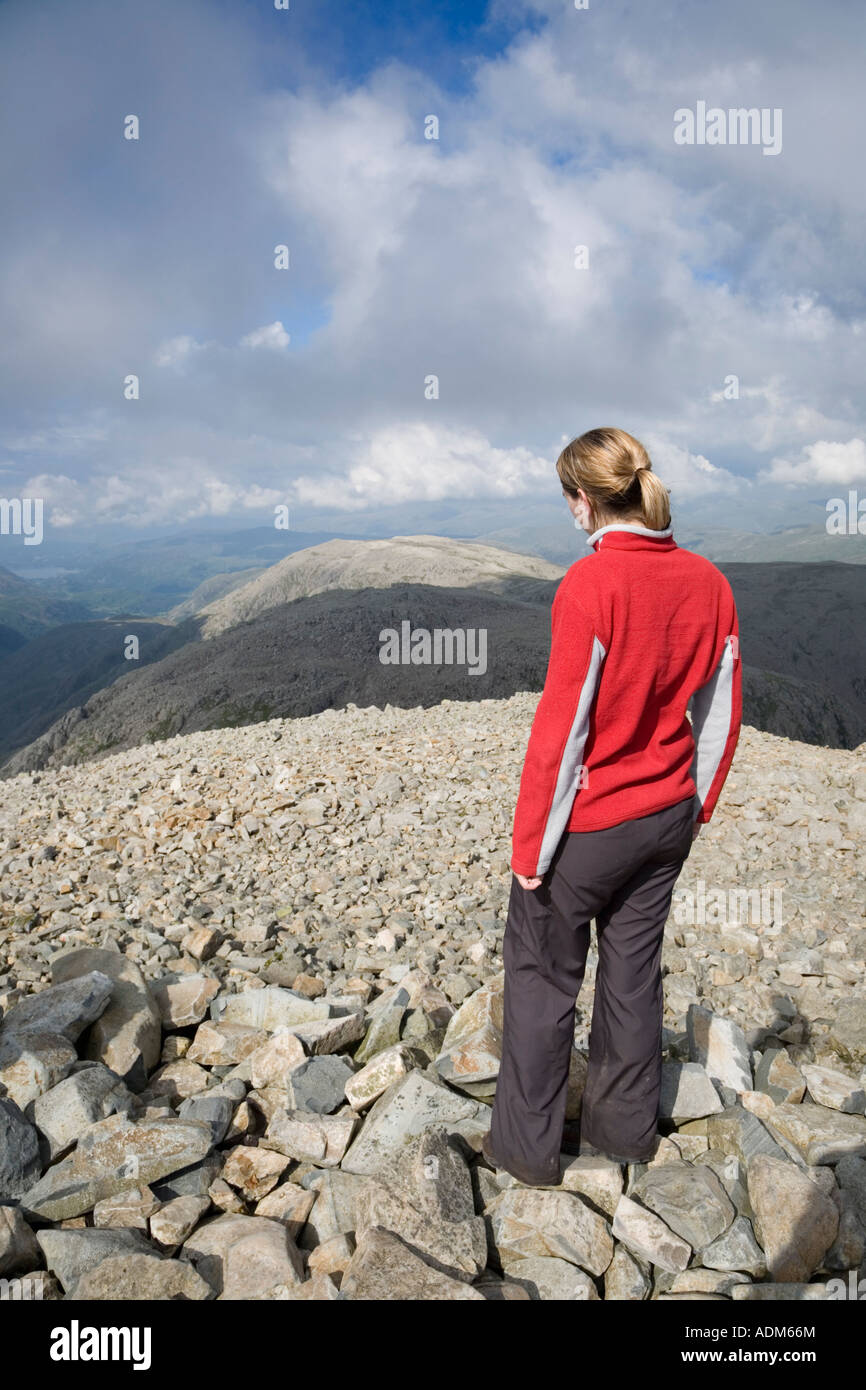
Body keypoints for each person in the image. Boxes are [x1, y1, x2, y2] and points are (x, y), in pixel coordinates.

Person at [482, 426, 742, 1186]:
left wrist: (530, 852)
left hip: (590, 829)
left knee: (541, 977)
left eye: (567, 496)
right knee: (633, 973)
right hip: (667, 817)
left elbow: (561, 734)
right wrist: (696, 803)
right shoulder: (709, 583)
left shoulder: (590, 586)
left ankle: (526, 1156)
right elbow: (721, 713)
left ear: (583, 501)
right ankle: (625, 1138)